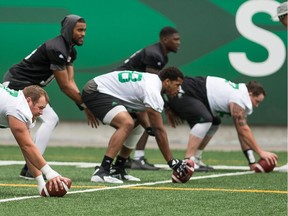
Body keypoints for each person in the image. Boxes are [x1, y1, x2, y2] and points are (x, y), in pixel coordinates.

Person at [2, 14, 98, 179]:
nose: (83, 34)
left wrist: (83, 105)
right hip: (18, 83)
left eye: (85, 30)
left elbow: (71, 81)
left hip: (30, 87)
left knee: (50, 119)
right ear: (69, 30)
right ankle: (32, 168)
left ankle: (31, 167)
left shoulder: (70, 51)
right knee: (50, 118)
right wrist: (85, 106)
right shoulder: (57, 48)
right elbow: (65, 86)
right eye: (79, 30)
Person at [82, 67, 192, 183]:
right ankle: (102, 171)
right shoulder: (153, 89)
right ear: (167, 82)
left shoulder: (152, 82)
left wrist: (148, 128)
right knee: (127, 123)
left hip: (104, 90)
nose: (179, 89)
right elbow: (159, 130)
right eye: (177, 85)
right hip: (96, 91)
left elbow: (140, 111)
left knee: (137, 124)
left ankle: (118, 169)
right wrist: (172, 162)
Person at [165, 76, 278, 171]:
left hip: (195, 94)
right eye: (257, 101)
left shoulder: (240, 96)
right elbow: (243, 130)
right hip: (183, 92)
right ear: (250, 94)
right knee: (205, 119)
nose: (256, 105)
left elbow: (242, 133)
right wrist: (261, 152)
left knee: (214, 122)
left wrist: (252, 162)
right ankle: (189, 161)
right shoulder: (240, 97)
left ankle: (197, 158)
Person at [113, 26, 181, 170]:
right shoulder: (154, 54)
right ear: (164, 39)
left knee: (140, 121)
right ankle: (136, 158)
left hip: (130, 89)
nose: (178, 42)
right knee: (146, 119)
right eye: (175, 39)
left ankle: (124, 160)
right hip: (122, 88)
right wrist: (168, 107)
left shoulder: (161, 54)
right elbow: (153, 85)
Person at [0, 84, 69, 195]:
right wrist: (49, 172)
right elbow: (27, 147)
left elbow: (28, 149)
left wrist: (41, 182)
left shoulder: (20, 105)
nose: (41, 112)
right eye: (40, 107)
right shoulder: (18, 109)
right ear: (28, 101)